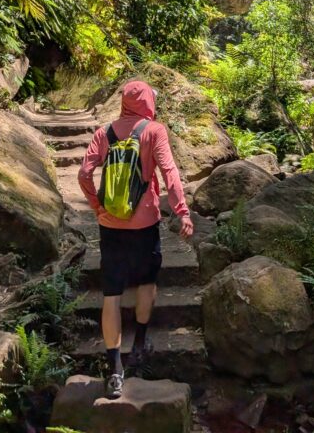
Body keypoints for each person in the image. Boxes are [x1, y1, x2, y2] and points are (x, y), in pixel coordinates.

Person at [78, 79, 193, 399]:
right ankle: (140, 343)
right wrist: (182, 212)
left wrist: (97, 206)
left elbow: (84, 174)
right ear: (147, 103)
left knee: (111, 295)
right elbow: (169, 172)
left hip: (111, 224)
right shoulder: (154, 131)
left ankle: (115, 371)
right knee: (146, 284)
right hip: (145, 225)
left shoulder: (105, 133)